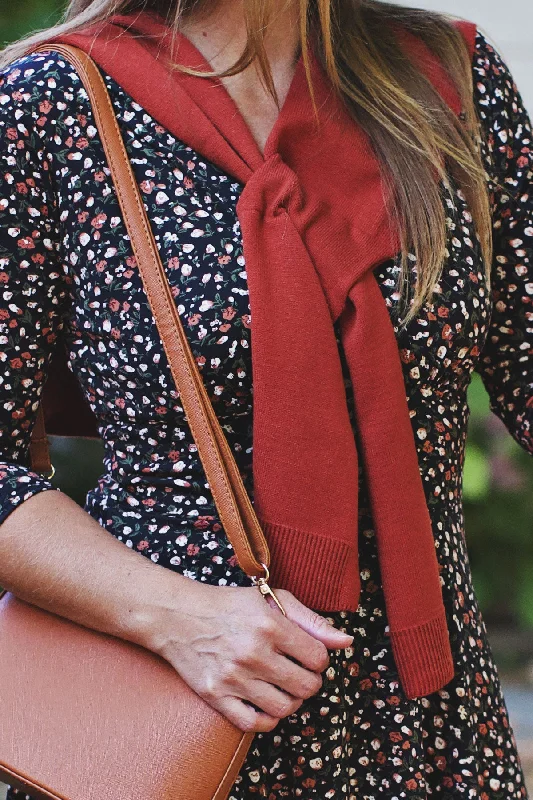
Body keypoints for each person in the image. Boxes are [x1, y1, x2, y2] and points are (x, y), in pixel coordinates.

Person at [0, 0, 531, 797]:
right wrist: (176, 617)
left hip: (427, 726)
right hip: (174, 713)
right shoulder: (49, 103)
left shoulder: (443, 79)